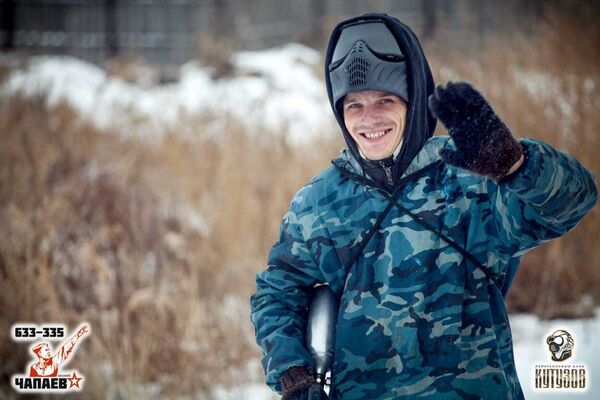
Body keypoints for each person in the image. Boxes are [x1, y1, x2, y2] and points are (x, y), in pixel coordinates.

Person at [250, 12, 597, 400]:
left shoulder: (472, 178)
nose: (369, 119)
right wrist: (292, 373)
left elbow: (576, 200)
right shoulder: (318, 203)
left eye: (385, 100)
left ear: (413, 101)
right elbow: (276, 294)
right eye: (354, 105)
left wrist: (516, 165)